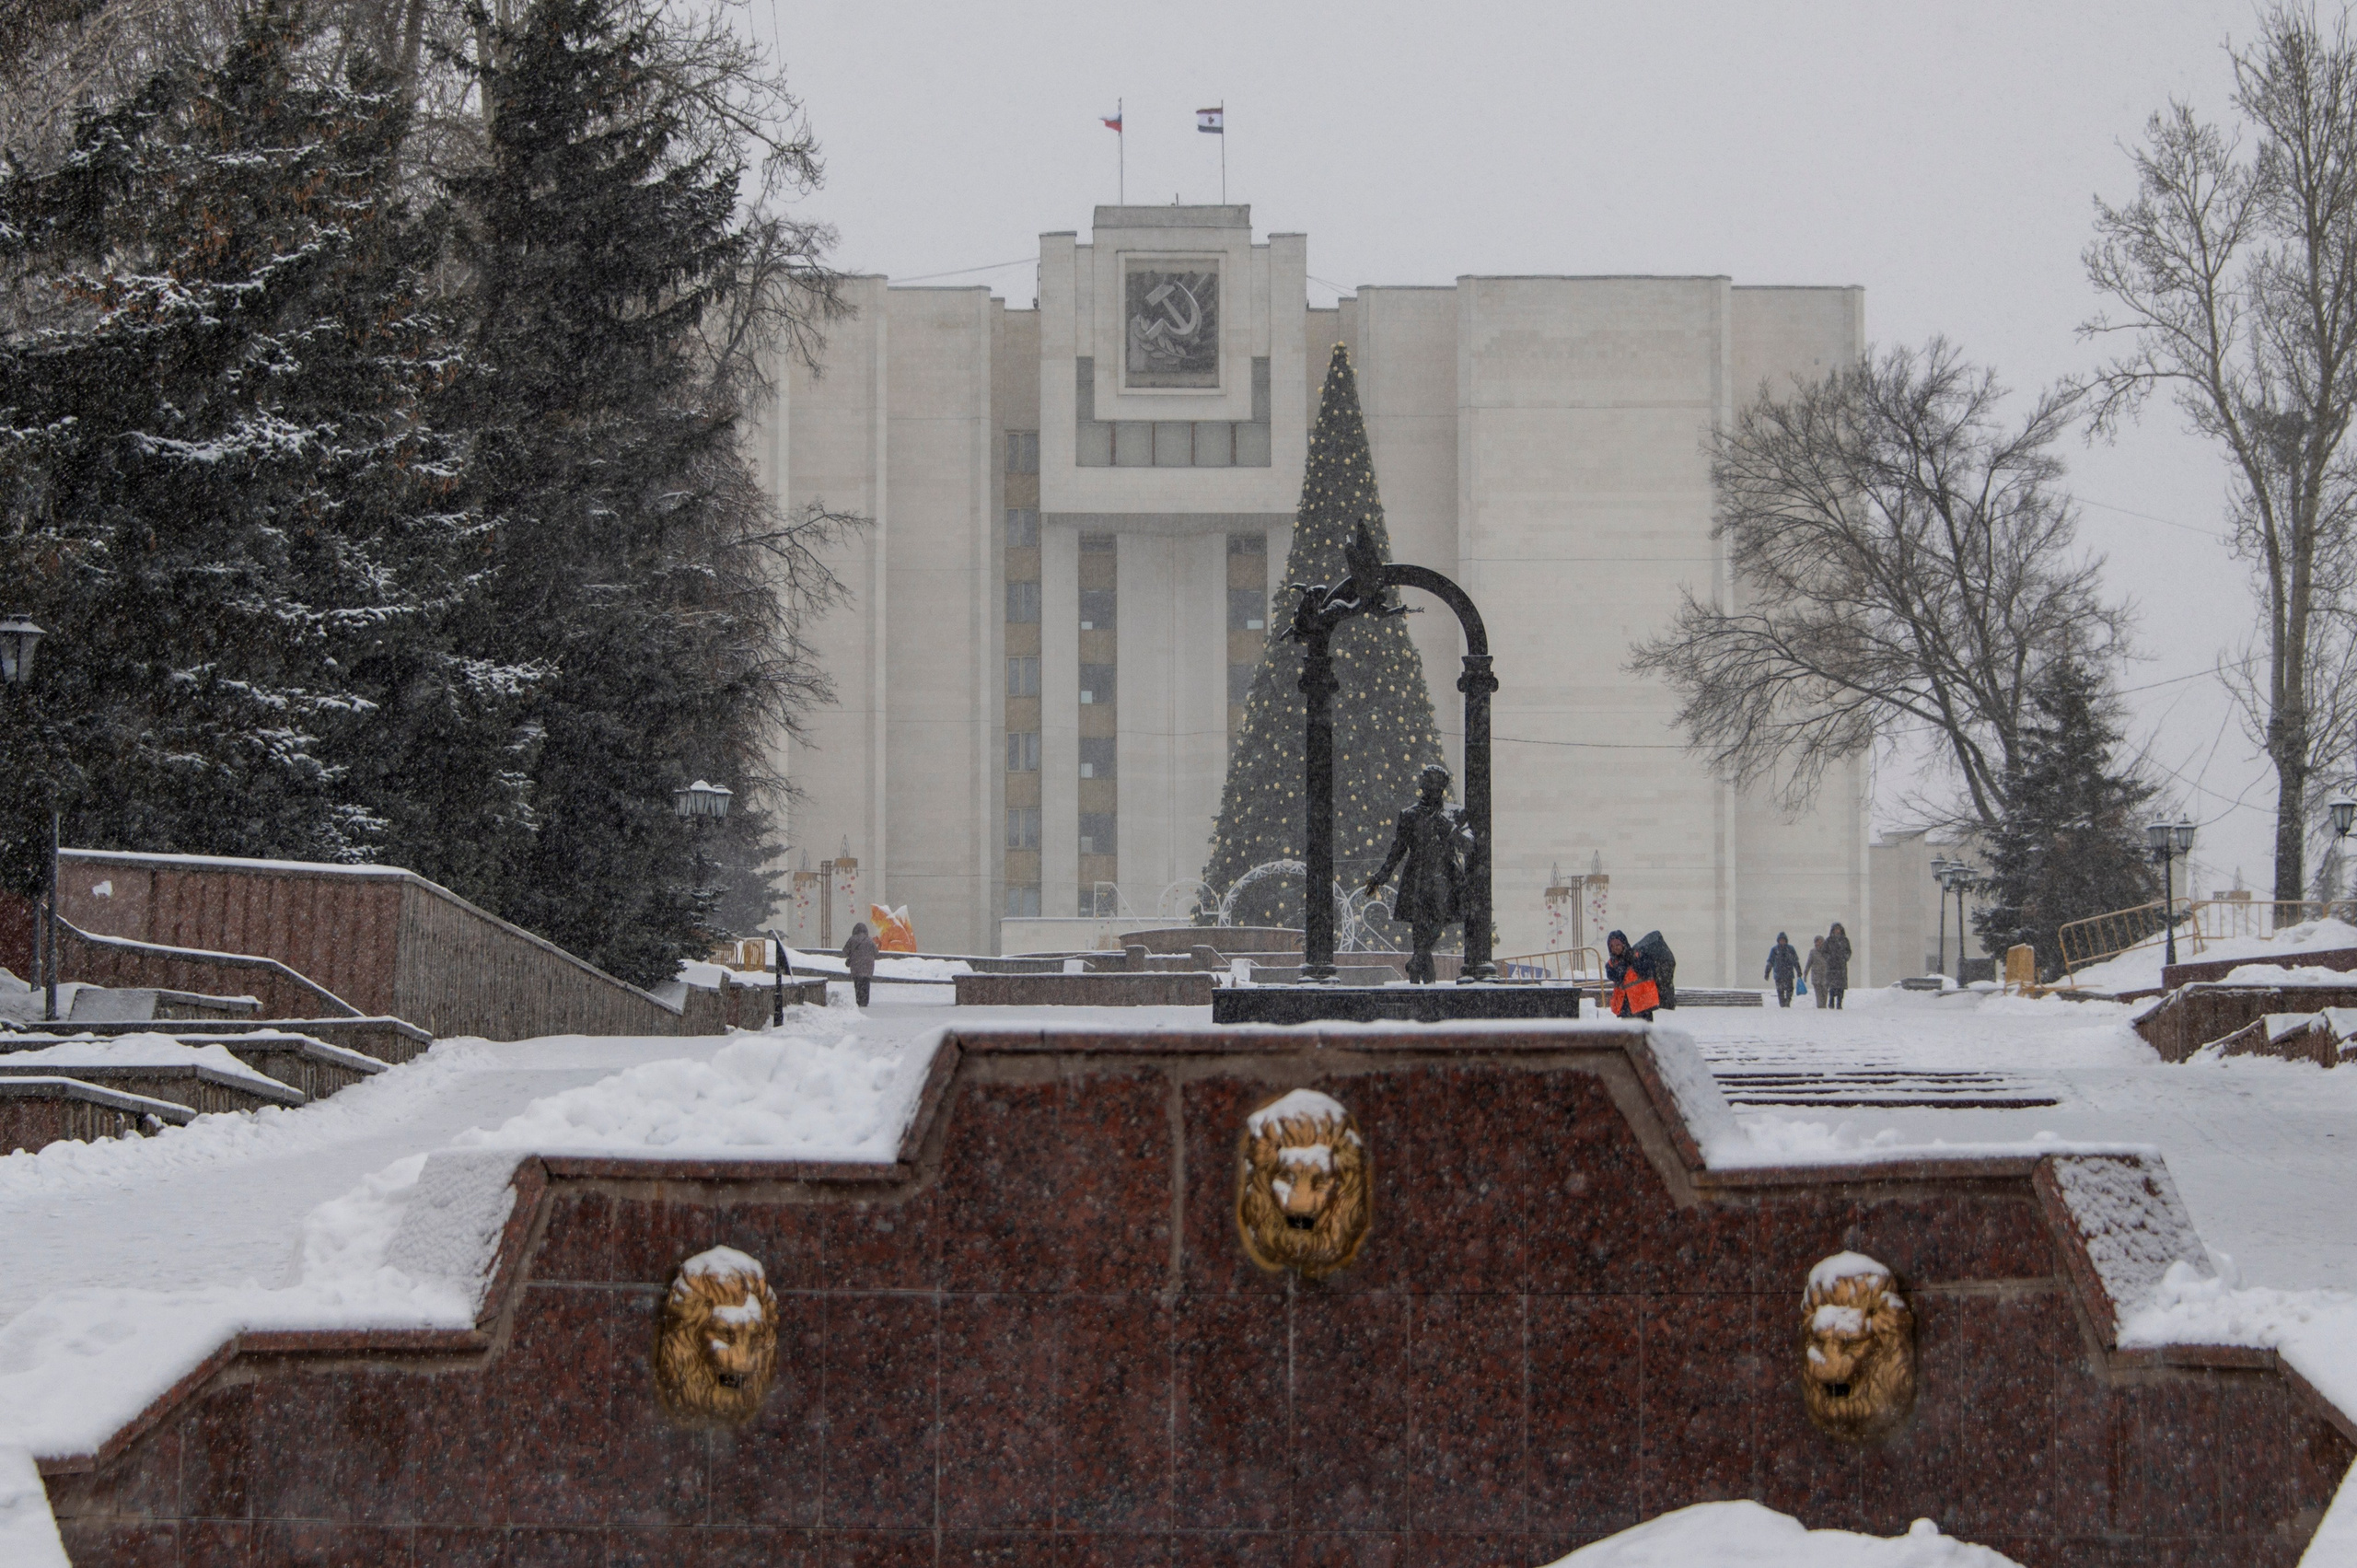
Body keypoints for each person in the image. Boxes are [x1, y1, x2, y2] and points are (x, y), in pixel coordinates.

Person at [1364, 761, 1472, 984]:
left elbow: (1468, 845)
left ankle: (1416, 963)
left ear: (1442, 787)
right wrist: (1381, 876)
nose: (1434, 791)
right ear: (1423, 787)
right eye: (1429, 786)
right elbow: (1398, 848)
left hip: (1445, 876)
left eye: (1438, 786)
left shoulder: (1454, 813)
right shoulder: (1409, 815)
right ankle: (1424, 978)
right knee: (1420, 930)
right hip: (1418, 876)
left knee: (1437, 923)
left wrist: (1449, 829)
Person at [1605, 929, 1660, 1021]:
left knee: (1644, 1033)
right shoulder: (1611, 964)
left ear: (1624, 944)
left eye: (1618, 944)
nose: (1615, 948)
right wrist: (1621, 965)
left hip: (1643, 1004)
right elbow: (1614, 976)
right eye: (1612, 946)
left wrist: (1633, 961)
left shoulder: (1638, 955)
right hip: (1626, 1005)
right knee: (1629, 1034)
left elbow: (1648, 972)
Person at [841, 921, 878, 1007]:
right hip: (868, 967)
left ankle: (859, 1000)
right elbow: (876, 953)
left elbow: (844, 952)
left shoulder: (852, 939)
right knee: (866, 983)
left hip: (856, 967)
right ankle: (865, 1001)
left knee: (858, 983)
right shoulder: (870, 940)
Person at [1764, 932, 1801, 1007]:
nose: (1782, 942)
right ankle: (1782, 1003)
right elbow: (1770, 962)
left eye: (1783, 940)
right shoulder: (1774, 950)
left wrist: (1798, 971)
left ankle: (1787, 1002)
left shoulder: (1790, 949)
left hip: (1789, 974)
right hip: (1779, 974)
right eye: (1781, 940)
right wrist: (1767, 972)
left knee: (1790, 989)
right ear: (1778, 941)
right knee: (1780, 990)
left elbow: (1795, 961)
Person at [1824, 922, 1852, 1010]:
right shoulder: (1829, 940)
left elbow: (1849, 951)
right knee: (1832, 987)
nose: (1837, 931)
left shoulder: (1845, 940)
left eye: (1838, 929)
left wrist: (1845, 958)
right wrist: (1829, 958)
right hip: (1832, 967)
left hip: (1841, 967)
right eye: (1836, 929)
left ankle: (1839, 1003)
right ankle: (1831, 1001)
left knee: (1841, 987)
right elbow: (1824, 952)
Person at [1803, 935, 1829, 1009]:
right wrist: (1805, 973)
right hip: (1816, 976)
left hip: (1825, 975)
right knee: (1818, 992)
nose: (1818, 943)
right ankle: (1820, 1006)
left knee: (1825, 992)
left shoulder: (1827, 952)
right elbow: (1809, 963)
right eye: (1817, 942)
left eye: (1820, 942)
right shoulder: (1812, 952)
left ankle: (1823, 1005)